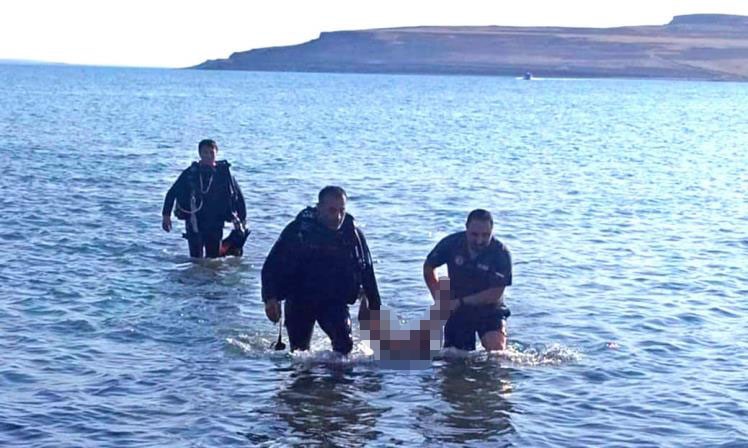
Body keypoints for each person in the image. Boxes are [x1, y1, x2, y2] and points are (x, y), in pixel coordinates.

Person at [261, 186, 381, 355]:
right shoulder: (299, 231)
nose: (338, 217)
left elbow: (367, 272)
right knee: (300, 355)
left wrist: (374, 310)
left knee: (344, 347)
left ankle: (338, 379)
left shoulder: (352, 234)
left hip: (333, 300)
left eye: (342, 211)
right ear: (319, 209)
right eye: (332, 211)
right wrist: (269, 298)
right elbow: (271, 266)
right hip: (299, 298)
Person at [423, 209, 512, 351]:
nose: (479, 240)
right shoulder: (452, 243)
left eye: (485, 235)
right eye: (474, 234)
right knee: (454, 357)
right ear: (466, 228)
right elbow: (428, 268)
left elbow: (495, 293)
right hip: (458, 309)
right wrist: (439, 299)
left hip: (489, 308)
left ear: (492, 231)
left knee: (497, 353)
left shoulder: (500, 253)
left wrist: (461, 302)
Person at [161, 139, 247, 258]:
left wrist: (242, 220)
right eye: (205, 152)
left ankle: (211, 276)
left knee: (213, 260)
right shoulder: (190, 173)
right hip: (194, 221)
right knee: (196, 259)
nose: (208, 156)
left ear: (216, 153)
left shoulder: (223, 174)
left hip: (216, 222)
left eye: (211, 153)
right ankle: (196, 276)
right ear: (200, 154)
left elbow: (238, 197)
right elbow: (172, 193)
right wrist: (166, 216)